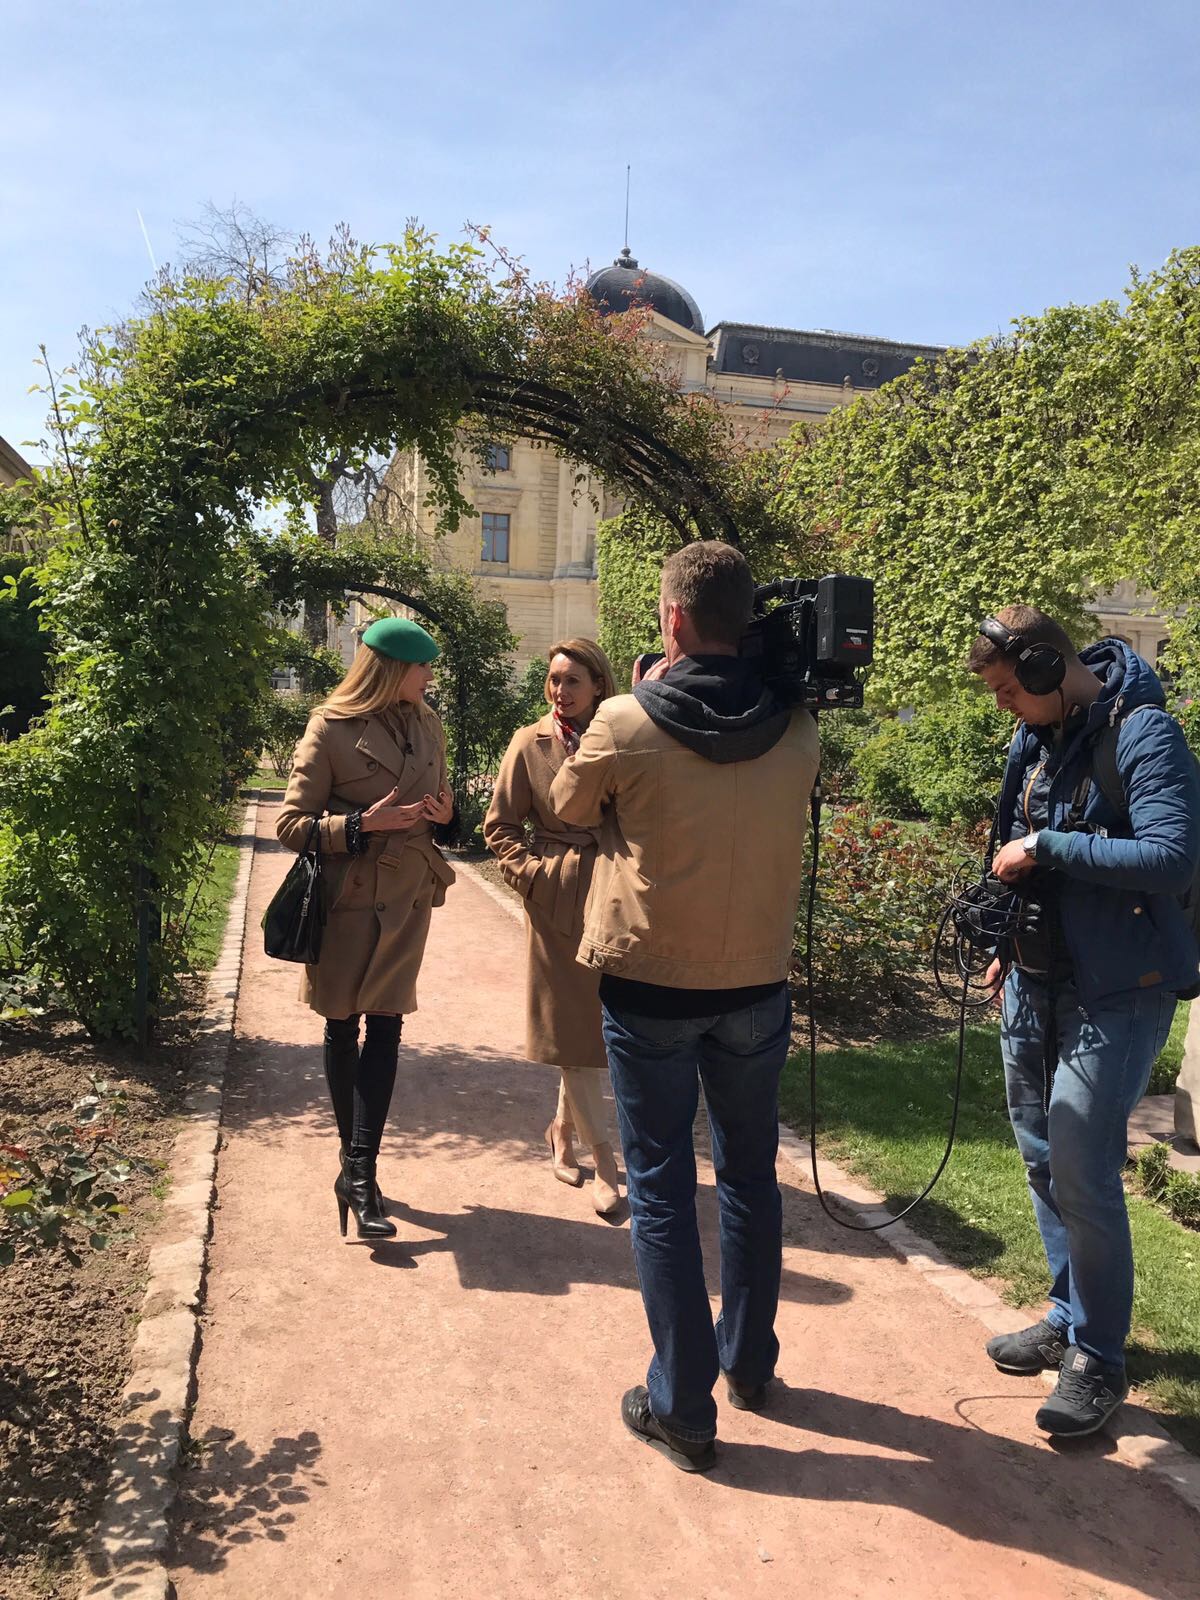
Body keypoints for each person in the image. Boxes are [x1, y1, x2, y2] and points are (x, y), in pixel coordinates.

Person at [549, 541, 820, 1472]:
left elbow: (569, 805)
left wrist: (640, 696)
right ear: (747, 622)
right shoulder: (800, 728)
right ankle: (749, 1365)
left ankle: (683, 1405)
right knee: (750, 1177)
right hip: (756, 985)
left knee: (663, 1188)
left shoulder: (626, 719)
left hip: (651, 986)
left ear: (671, 619)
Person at [969, 606, 1200, 1437]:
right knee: (1041, 1159)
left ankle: (1100, 1360)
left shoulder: (1146, 735)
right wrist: (1002, 941)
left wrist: (1054, 846)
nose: (1003, 707)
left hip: (1120, 989)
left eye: (1008, 690)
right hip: (1036, 981)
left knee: (1084, 1169)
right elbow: (1010, 847)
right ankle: (1068, 1315)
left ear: (1045, 669)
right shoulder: (1031, 743)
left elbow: (1174, 856)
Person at [277, 616, 456, 1242]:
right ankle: (356, 1170)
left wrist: (445, 814)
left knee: (387, 1027)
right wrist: (356, 828)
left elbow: (442, 803)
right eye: (421, 667)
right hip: (349, 900)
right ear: (392, 671)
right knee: (341, 1025)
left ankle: (360, 1169)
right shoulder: (330, 727)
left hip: (407, 899)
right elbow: (291, 825)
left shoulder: (428, 723)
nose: (430, 677)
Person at [483, 639, 623, 1217]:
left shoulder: (619, 738)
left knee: (588, 1028)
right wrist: (536, 876)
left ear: (597, 686)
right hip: (557, 898)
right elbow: (498, 825)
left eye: (572, 681)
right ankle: (606, 1161)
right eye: (554, 679)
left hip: (614, 894)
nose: (560, 691)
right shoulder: (528, 742)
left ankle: (561, 1131)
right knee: (571, 1025)